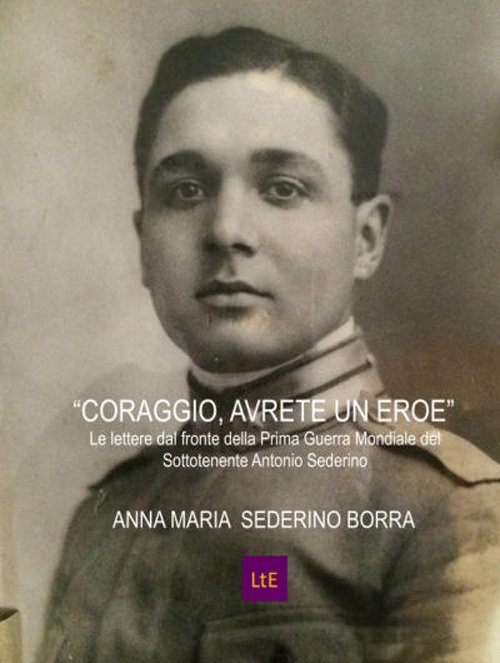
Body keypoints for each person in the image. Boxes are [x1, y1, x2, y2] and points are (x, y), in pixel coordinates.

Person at [38, 27, 500, 662]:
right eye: (186, 191)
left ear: (366, 238)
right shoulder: (105, 516)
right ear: (144, 243)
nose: (226, 231)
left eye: (283, 188)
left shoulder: (445, 512)